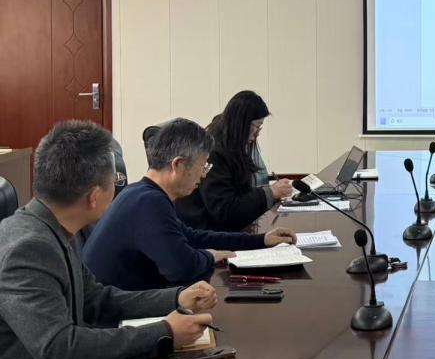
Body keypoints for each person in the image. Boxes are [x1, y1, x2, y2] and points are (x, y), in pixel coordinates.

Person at [0, 121, 216, 359]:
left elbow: (97, 299)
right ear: (94, 196)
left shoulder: (55, 228)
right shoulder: (29, 248)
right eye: (114, 180)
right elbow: (59, 348)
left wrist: (176, 298)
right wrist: (164, 332)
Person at [84, 118, 297, 291]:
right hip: (117, 318)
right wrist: (209, 256)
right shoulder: (149, 202)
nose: (204, 175)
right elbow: (181, 268)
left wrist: (262, 240)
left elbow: (193, 237)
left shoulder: (140, 193)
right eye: (203, 166)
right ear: (178, 164)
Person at [176, 91, 293, 232]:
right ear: (242, 123)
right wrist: (269, 193)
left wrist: (269, 193)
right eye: (256, 126)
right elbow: (225, 210)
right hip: (208, 231)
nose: (258, 133)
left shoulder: (231, 143)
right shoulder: (214, 152)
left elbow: (238, 193)